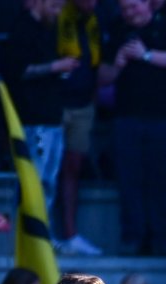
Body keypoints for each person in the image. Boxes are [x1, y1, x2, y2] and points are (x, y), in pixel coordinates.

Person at [99, 0, 166, 256]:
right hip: (126, 118)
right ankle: (132, 238)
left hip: (164, 118)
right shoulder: (117, 29)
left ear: (148, 4)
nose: (130, 13)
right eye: (125, 8)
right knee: (129, 181)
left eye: (134, 6)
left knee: (160, 181)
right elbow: (102, 77)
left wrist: (146, 55)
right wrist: (117, 63)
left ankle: (161, 239)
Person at [1, 0, 76, 220]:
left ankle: (42, 236)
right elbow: (17, 70)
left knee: (48, 182)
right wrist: (56, 66)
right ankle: (27, 238)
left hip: (52, 116)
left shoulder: (51, 29)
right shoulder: (22, 28)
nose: (58, 12)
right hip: (33, 119)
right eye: (54, 6)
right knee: (33, 182)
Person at [55, 0, 106, 257]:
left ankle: (71, 233)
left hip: (84, 104)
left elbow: (96, 66)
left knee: (73, 167)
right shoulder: (54, 15)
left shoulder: (96, 20)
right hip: (55, 105)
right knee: (51, 169)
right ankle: (46, 235)